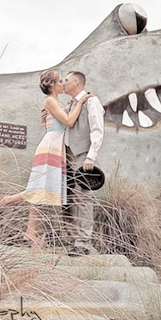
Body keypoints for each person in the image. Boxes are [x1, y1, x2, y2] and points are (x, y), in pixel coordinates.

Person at [0, 69, 92, 248]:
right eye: (60, 81)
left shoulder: (54, 102)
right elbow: (69, 122)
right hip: (50, 148)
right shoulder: (50, 101)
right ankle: (8, 201)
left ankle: (29, 231)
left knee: (41, 189)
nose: (62, 83)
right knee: (39, 188)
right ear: (53, 85)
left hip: (55, 148)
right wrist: (81, 100)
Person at [62, 71, 105, 256]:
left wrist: (90, 156)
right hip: (68, 156)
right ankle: (74, 240)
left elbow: (97, 129)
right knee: (71, 198)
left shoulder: (91, 101)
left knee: (84, 198)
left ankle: (83, 243)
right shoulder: (70, 104)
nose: (63, 83)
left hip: (82, 156)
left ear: (77, 82)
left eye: (66, 80)